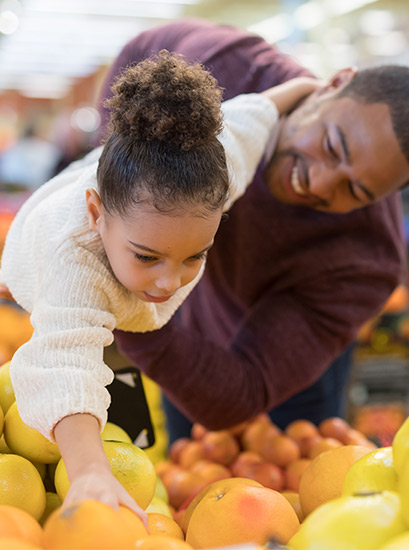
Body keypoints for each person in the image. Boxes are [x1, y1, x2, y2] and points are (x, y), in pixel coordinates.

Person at [0, 50, 317, 520]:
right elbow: (63, 364)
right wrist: (88, 470)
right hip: (35, 247)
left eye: (196, 255)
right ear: (96, 215)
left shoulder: (216, 172)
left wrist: (307, 86)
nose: (169, 282)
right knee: (75, 336)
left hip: (117, 186)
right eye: (147, 257)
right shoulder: (73, 262)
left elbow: (251, 116)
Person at [98, 19, 409, 440]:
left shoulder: (363, 259)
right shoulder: (224, 70)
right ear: (334, 83)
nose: (319, 183)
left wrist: (126, 302)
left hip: (279, 369)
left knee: (292, 478)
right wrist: (120, 194)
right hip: (186, 318)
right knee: (188, 467)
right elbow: (142, 53)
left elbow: (242, 391)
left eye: (353, 190)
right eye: (332, 145)